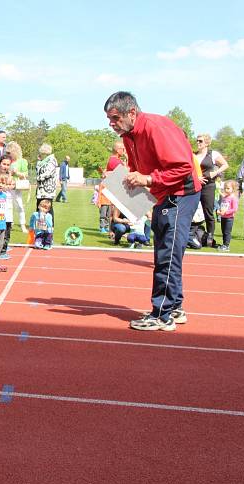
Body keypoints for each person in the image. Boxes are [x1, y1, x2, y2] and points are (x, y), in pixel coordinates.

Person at [104, 91, 201, 331]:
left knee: (168, 254)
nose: (111, 124)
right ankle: (174, 307)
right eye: (109, 119)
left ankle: (162, 315)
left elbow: (183, 167)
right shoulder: (129, 136)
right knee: (164, 252)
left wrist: (147, 179)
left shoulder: (156, 128)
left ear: (132, 112)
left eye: (115, 118)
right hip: (163, 194)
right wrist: (125, 179)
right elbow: (139, 170)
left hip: (181, 194)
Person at [195, 133, 229, 247]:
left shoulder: (213, 154)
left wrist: (215, 172)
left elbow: (225, 165)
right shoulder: (193, 155)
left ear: (207, 143)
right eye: (197, 140)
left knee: (208, 212)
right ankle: (191, 234)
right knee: (190, 211)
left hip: (208, 186)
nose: (198, 143)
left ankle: (210, 237)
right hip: (194, 186)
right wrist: (196, 178)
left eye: (200, 141)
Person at [6, 141, 29, 234]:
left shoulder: (22, 161)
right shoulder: (7, 161)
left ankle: (23, 225)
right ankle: (9, 224)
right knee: (8, 206)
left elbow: (26, 174)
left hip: (17, 186)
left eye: (9, 152)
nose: (8, 154)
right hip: (7, 186)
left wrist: (17, 173)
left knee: (19, 205)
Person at [35, 143, 58, 224]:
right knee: (39, 207)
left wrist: (39, 178)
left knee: (47, 207)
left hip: (47, 189)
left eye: (41, 153)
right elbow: (38, 171)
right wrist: (38, 162)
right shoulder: (42, 161)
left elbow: (48, 173)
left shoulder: (52, 160)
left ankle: (50, 226)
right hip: (40, 189)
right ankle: (40, 226)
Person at [216, 180, 239, 251]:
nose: (226, 189)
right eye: (225, 188)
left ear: (233, 189)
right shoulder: (225, 197)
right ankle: (224, 244)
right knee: (223, 231)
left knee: (227, 232)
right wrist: (219, 210)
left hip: (229, 218)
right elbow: (222, 206)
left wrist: (226, 212)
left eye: (228, 188)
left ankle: (226, 245)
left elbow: (234, 209)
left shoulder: (233, 198)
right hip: (223, 217)